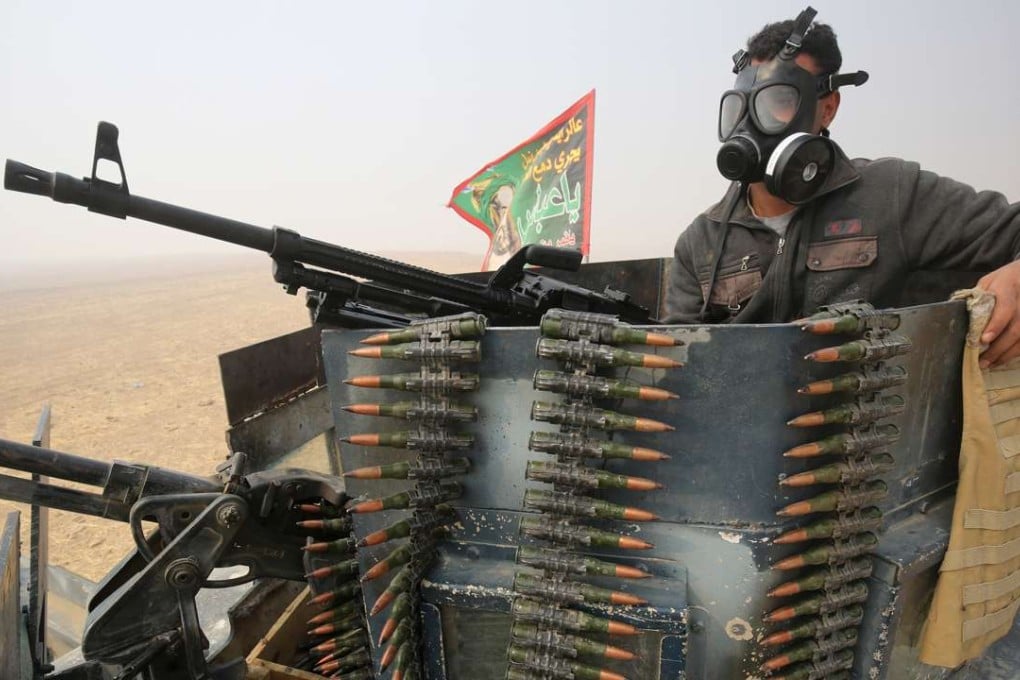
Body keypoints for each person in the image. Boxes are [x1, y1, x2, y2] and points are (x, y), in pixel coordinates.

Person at [664, 7, 1020, 368]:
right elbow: (676, 363)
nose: (752, 124)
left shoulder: (891, 193)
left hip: (864, 403)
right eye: (742, 107)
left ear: (828, 108)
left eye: (779, 102)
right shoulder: (701, 241)